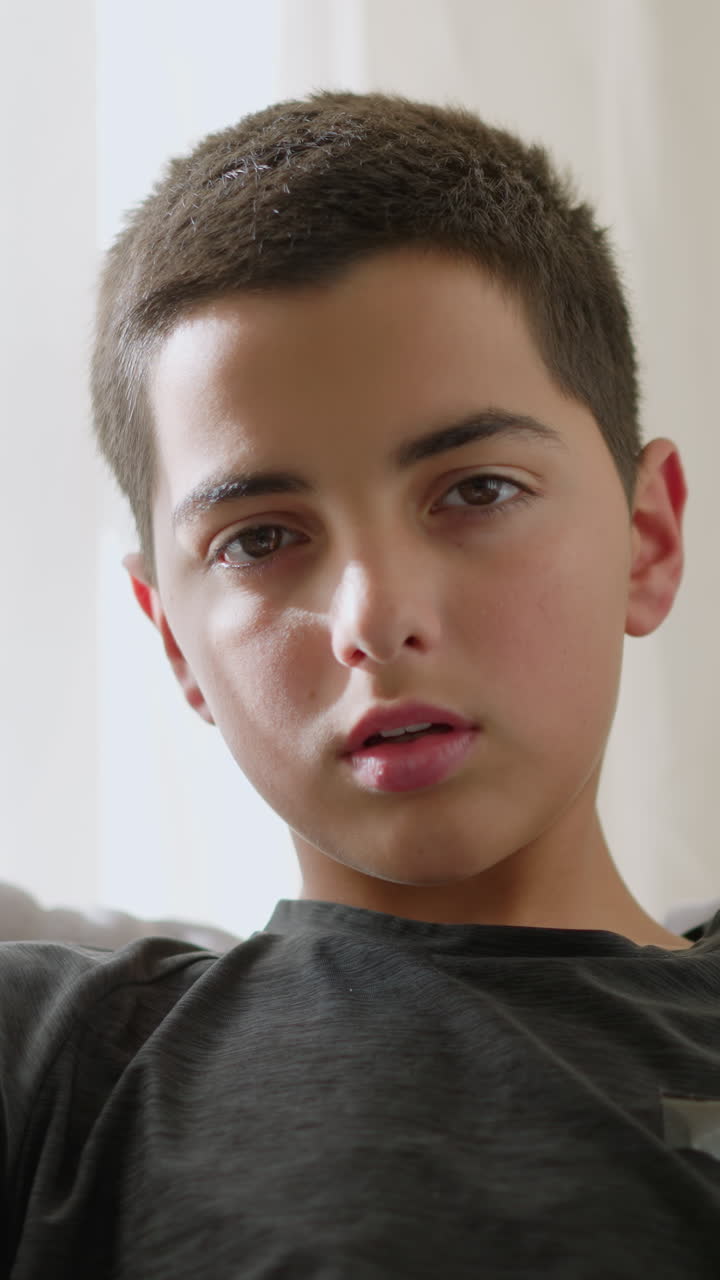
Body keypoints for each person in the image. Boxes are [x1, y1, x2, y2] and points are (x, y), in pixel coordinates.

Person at [3, 90, 719, 1278]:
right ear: (174, 640)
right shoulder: (73, 1061)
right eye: (258, 538)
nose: (376, 617)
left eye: (476, 491)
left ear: (645, 539)